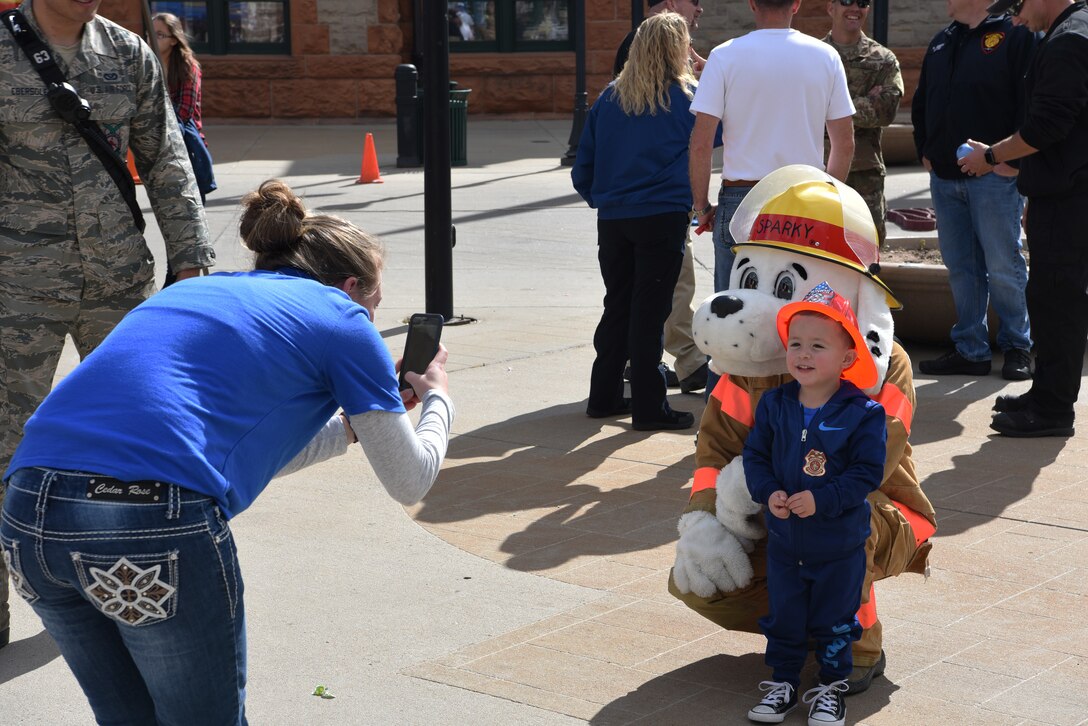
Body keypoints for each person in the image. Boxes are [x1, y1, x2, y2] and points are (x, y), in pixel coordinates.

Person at [0, 179, 455, 723]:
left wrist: (353, 431)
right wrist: (438, 399)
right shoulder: (341, 317)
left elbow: (237, 453)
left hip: (27, 513)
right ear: (352, 285)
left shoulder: (188, 294)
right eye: (376, 303)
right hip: (146, 524)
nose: (374, 317)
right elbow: (411, 479)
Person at [0, 0, 214, 652]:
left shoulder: (128, 54)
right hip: (18, 288)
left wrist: (192, 262)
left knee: (132, 448)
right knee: (5, 447)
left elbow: (167, 158)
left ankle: (131, 594)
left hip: (119, 284)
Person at [688, 0, 855, 395]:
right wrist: (827, 200)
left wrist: (701, 207)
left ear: (750, 4)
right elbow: (845, 143)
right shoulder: (824, 55)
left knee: (730, 313)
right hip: (802, 197)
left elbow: (699, 145)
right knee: (797, 309)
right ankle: (794, 415)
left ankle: (724, 423)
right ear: (796, 4)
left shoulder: (725, 57)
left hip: (741, 198)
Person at [742, 281, 885, 726]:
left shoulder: (863, 412)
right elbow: (756, 456)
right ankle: (783, 683)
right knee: (783, 615)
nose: (803, 354)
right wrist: (769, 492)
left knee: (835, 621)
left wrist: (821, 500)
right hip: (785, 542)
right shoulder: (775, 404)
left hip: (838, 545)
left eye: (817, 346)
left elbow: (865, 474)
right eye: (796, 343)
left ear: (846, 358)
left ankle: (829, 689)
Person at [573, 12, 709, 431]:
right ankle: (651, 408)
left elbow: (583, 170)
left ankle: (604, 395)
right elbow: (716, 136)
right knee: (650, 312)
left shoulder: (610, 99)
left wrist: (607, 199)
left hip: (615, 219)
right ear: (676, 50)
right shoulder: (686, 99)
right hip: (662, 215)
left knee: (617, 306)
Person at [960, 0, 1088, 437]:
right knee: (1050, 300)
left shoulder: (1070, 39)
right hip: (1063, 193)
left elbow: (1047, 126)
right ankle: (1047, 394)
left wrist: (992, 155)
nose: (1012, 18)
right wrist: (1019, 169)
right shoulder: (1071, 31)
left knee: (1058, 303)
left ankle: (1052, 410)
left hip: (1070, 201)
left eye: (1016, 4)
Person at [912, 0, 1037, 381]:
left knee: (1003, 265)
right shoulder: (941, 41)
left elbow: (1029, 101)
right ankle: (971, 348)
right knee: (961, 268)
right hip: (946, 179)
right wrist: (925, 150)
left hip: (995, 179)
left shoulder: (1014, 34)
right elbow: (923, 101)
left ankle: (1018, 347)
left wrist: (1010, 163)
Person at [614, 0, 710, 395]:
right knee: (676, 282)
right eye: (695, 2)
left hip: (627, 202)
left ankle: (638, 361)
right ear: (671, 4)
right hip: (660, 199)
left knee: (640, 286)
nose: (701, 10)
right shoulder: (656, 56)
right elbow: (698, 127)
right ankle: (688, 363)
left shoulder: (641, 52)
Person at [823, 0, 903, 246]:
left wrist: (826, 107)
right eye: (847, 1)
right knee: (818, 250)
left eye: (863, 2)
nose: (855, 8)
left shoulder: (883, 59)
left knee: (867, 252)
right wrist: (864, 100)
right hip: (817, 172)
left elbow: (885, 110)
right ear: (830, 7)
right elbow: (798, 106)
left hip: (865, 179)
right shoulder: (813, 55)